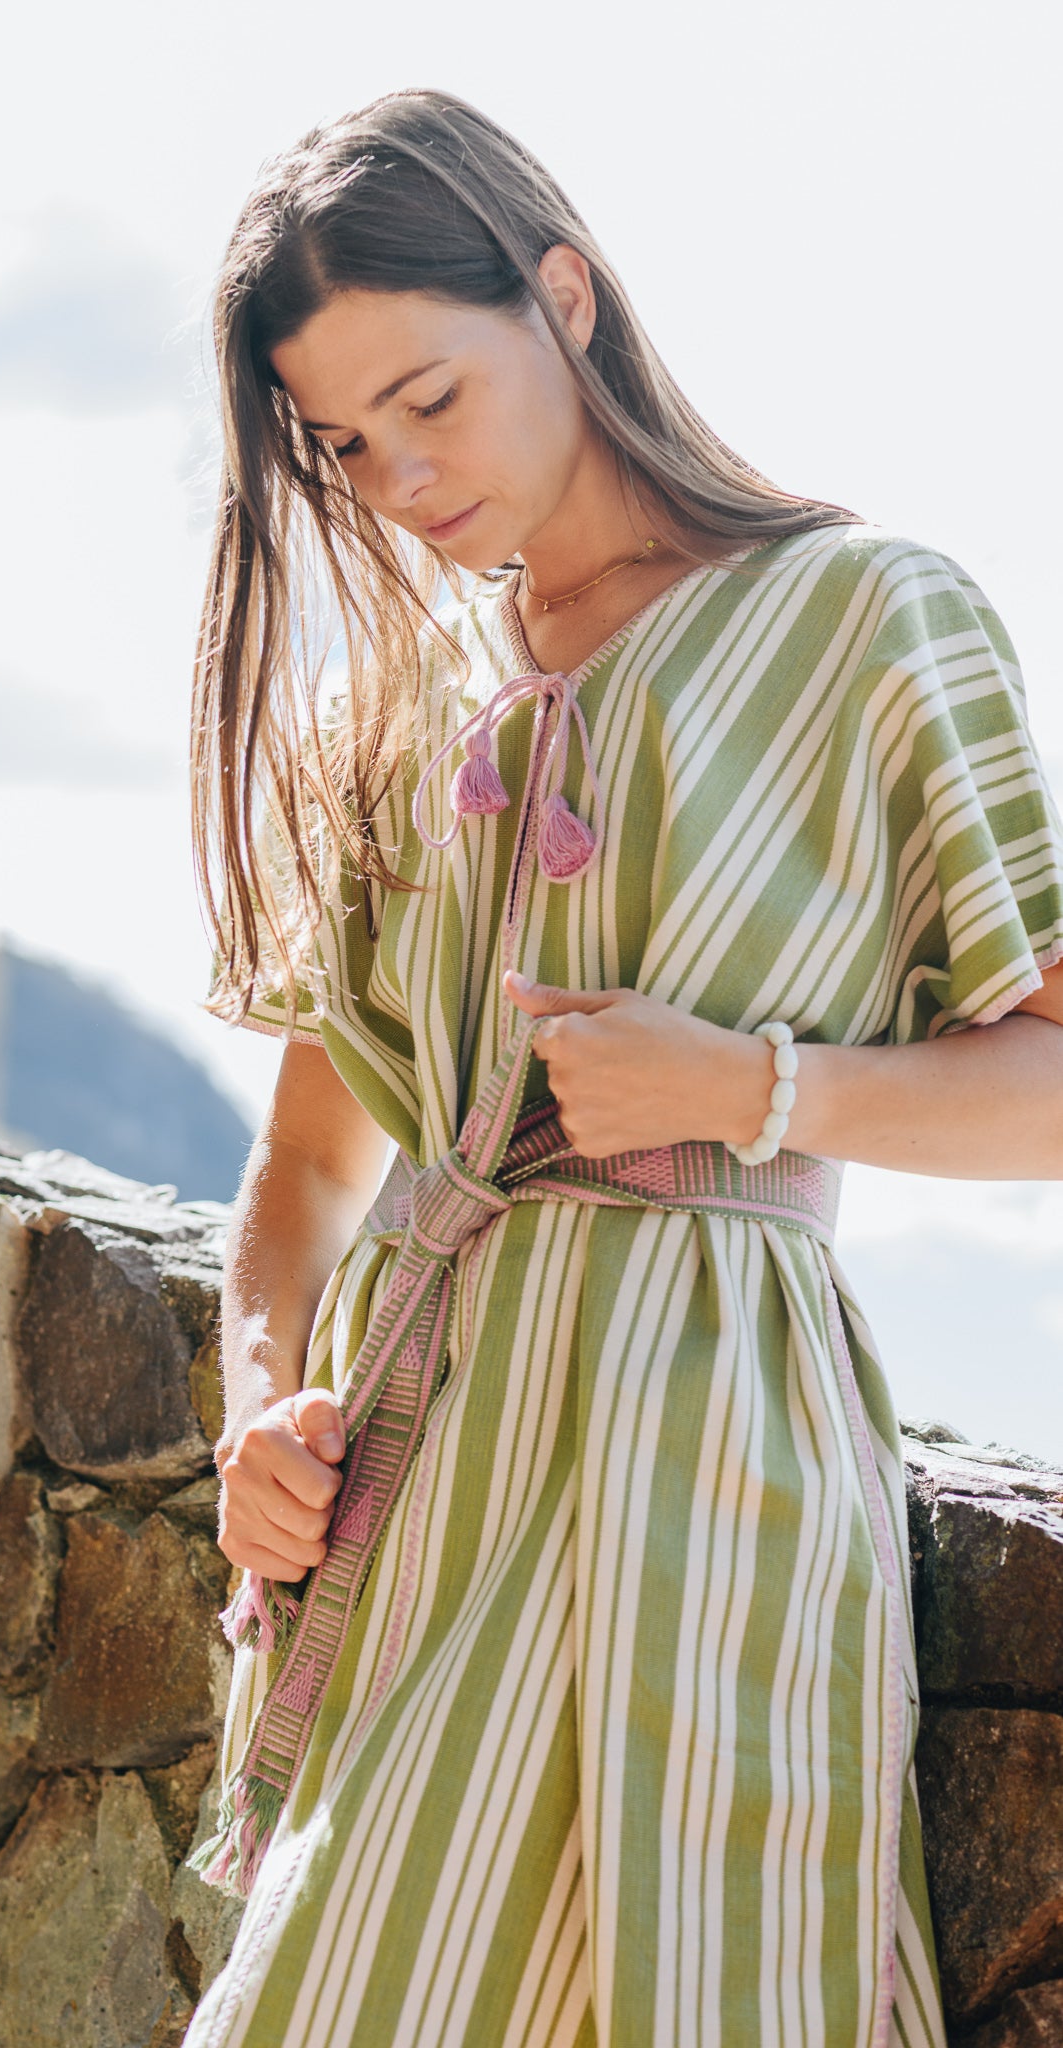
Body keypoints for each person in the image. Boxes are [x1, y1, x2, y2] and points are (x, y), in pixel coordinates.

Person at [181, 86, 1063, 2048]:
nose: (400, 477)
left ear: (560, 298)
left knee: (710, 1987)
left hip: (720, 1458)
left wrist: (752, 1087)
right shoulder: (418, 705)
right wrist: (258, 1413)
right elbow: (306, 1175)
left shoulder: (864, 620)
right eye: (344, 442)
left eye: (429, 397)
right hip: (433, 1464)